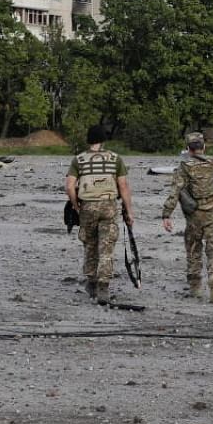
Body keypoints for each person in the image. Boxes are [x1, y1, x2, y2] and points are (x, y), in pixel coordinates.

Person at [161, 132, 213, 304]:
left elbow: (175, 191)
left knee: (193, 249)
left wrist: (167, 214)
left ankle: (195, 286)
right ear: (204, 147)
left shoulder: (183, 167)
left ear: (188, 149)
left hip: (194, 215)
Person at [65, 125, 132, 305]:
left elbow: (70, 186)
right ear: (103, 140)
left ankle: (91, 282)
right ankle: (103, 285)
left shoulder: (78, 160)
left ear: (88, 140)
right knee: (106, 246)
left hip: (87, 206)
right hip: (109, 206)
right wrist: (129, 211)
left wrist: (75, 205)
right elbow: (123, 186)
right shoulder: (115, 159)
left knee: (90, 244)